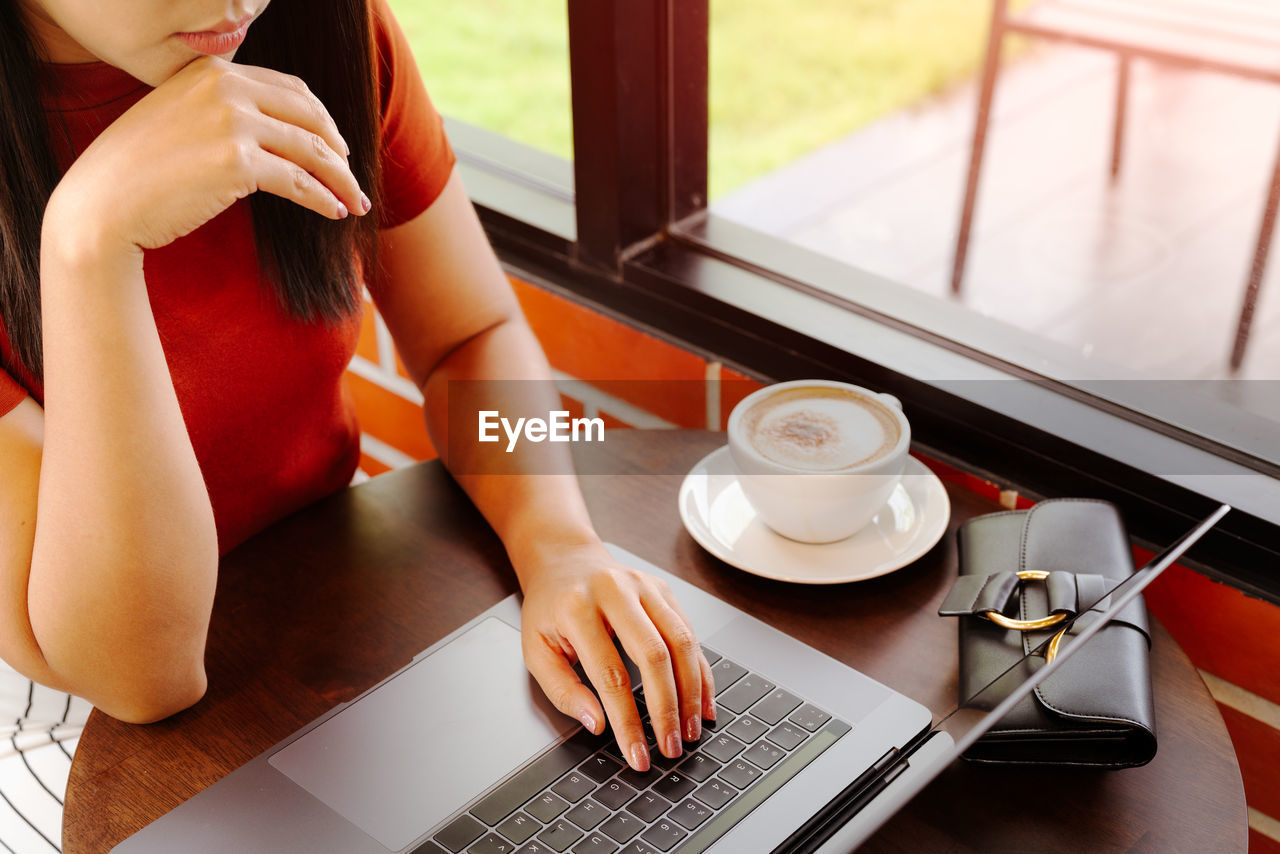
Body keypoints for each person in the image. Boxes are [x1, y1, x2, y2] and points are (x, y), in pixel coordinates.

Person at [0, 0, 712, 848]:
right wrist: (89, 247)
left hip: (323, 598)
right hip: (70, 705)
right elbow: (139, 678)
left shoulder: (321, 24)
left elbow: (466, 338)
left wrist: (557, 545)